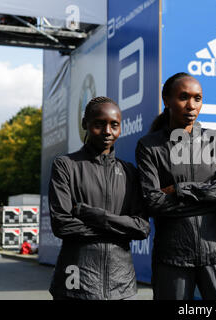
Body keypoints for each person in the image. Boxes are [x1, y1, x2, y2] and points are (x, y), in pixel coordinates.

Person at [135, 72, 216, 300]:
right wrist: (212, 190)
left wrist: (178, 190)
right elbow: (153, 203)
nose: (191, 105)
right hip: (172, 255)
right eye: (184, 97)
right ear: (166, 100)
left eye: (197, 98)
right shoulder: (149, 146)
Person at [48, 96, 150, 300]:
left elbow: (141, 228)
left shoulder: (130, 172)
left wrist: (90, 214)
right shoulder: (66, 165)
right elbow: (62, 225)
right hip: (74, 282)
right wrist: (120, 228)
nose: (107, 131)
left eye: (114, 125)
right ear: (85, 124)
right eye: (99, 124)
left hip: (122, 286)